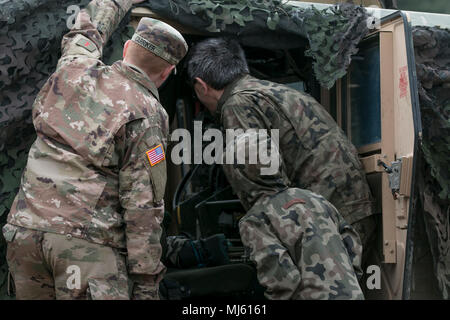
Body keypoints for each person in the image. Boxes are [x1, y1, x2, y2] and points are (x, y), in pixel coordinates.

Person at [2, 0, 188, 300]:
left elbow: (87, 30)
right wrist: (146, 284)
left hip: (24, 234)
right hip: (85, 247)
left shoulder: (74, 67)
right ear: (167, 73)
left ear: (126, 48)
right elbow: (143, 207)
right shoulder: (147, 115)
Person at [186, 37, 377, 251]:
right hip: (351, 211)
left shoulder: (237, 104)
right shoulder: (282, 93)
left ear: (201, 86)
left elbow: (263, 187)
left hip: (324, 226)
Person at [222, 134, 364, 299]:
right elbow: (353, 246)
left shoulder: (255, 221)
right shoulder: (315, 198)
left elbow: (284, 282)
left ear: (239, 176)